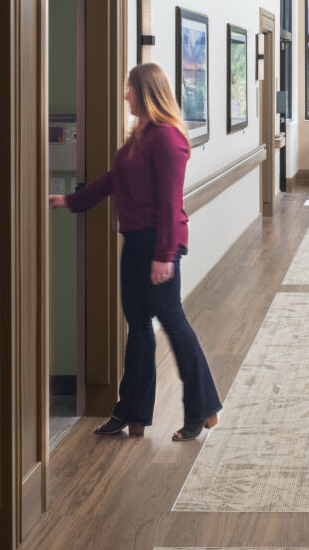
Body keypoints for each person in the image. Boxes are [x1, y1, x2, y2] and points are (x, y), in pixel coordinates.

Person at [49, 62, 222, 442]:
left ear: (144, 91)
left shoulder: (167, 138)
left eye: (128, 88)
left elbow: (169, 201)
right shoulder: (140, 134)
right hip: (135, 240)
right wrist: (71, 200)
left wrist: (163, 255)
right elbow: (114, 179)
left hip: (158, 244)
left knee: (173, 325)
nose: (124, 94)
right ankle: (131, 413)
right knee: (139, 328)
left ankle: (202, 408)